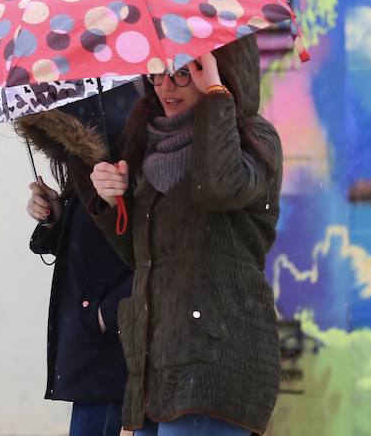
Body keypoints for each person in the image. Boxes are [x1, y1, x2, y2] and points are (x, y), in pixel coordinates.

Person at [89, 35, 282, 435]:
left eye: (182, 73)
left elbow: (218, 187)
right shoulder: (150, 145)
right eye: (157, 73)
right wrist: (113, 203)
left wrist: (215, 96)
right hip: (156, 363)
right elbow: (145, 259)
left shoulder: (255, 138)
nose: (166, 87)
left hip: (215, 360)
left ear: (221, 73)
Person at [18, 81, 140, 436]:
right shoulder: (87, 174)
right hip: (94, 352)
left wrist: (105, 316)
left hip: (112, 351)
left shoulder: (122, 168)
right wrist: (56, 216)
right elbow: (95, 241)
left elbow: (155, 253)